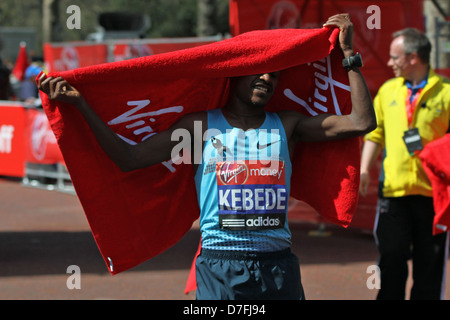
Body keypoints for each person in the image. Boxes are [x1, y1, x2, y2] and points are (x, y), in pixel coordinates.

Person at [38, 13, 375, 300]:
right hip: (221, 265)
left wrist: (349, 55)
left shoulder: (287, 125)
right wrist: (81, 105)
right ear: (234, 72)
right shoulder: (201, 126)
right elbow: (129, 157)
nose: (267, 79)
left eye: (274, 74)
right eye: (258, 70)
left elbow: (361, 122)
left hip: (278, 265)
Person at [359, 28, 450, 300]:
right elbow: (376, 133)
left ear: (413, 58)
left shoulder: (446, 92)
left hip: (434, 195)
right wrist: (364, 168)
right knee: (391, 258)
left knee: (429, 264)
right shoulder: (388, 90)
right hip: (393, 193)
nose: (389, 63)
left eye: (394, 57)